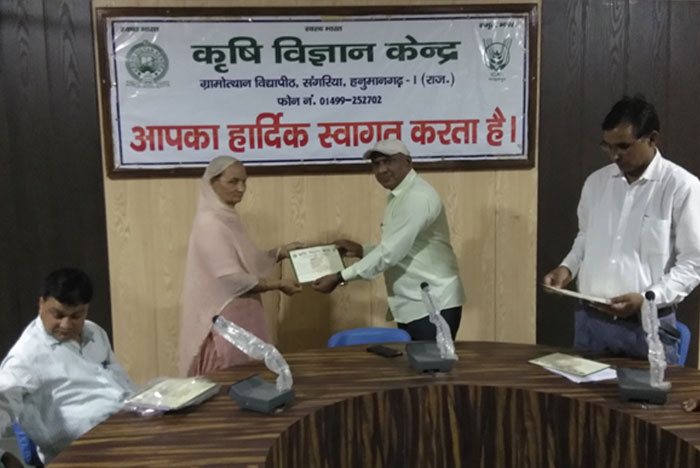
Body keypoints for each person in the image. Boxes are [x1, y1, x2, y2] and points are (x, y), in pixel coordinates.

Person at [543, 95, 700, 364]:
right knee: (584, 392)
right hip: (590, 322)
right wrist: (567, 268)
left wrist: (647, 299)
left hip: (647, 325)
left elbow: (693, 263)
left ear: (652, 139)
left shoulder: (681, 186)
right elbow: (585, 237)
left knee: (648, 392)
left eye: (624, 146)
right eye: (607, 146)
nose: (614, 155)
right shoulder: (596, 183)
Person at [312, 139, 465, 340]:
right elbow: (403, 247)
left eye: (389, 161)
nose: (381, 170)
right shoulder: (401, 195)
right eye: (376, 164)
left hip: (432, 303)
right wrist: (362, 250)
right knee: (417, 360)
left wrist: (340, 277)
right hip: (416, 303)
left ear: (408, 162)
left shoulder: (417, 197)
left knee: (431, 361)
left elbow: (390, 253)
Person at [179, 155, 302, 377]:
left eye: (244, 181)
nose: (241, 188)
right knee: (229, 378)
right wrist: (277, 284)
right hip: (226, 318)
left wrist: (280, 252)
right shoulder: (210, 223)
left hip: (243, 313)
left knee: (249, 377)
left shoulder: (226, 217)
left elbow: (249, 261)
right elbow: (231, 279)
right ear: (212, 183)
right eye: (233, 182)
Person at [0, 268, 136, 465]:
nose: (65, 325)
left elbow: (123, 385)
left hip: (128, 432)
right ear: (41, 304)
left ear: (86, 310)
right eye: (57, 314)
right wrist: (2, 455)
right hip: (82, 455)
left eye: (76, 316)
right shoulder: (26, 356)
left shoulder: (95, 332)